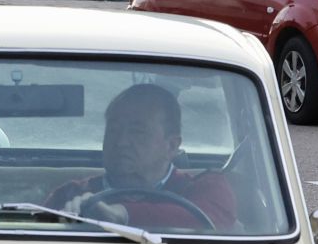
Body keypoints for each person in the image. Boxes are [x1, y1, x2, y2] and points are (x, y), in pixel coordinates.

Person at [44, 84, 237, 231]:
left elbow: (212, 221)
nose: (121, 142)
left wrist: (121, 214)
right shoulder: (71, 194)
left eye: (137, 132)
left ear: (171, 146)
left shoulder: (207, 189)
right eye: (113, 130)